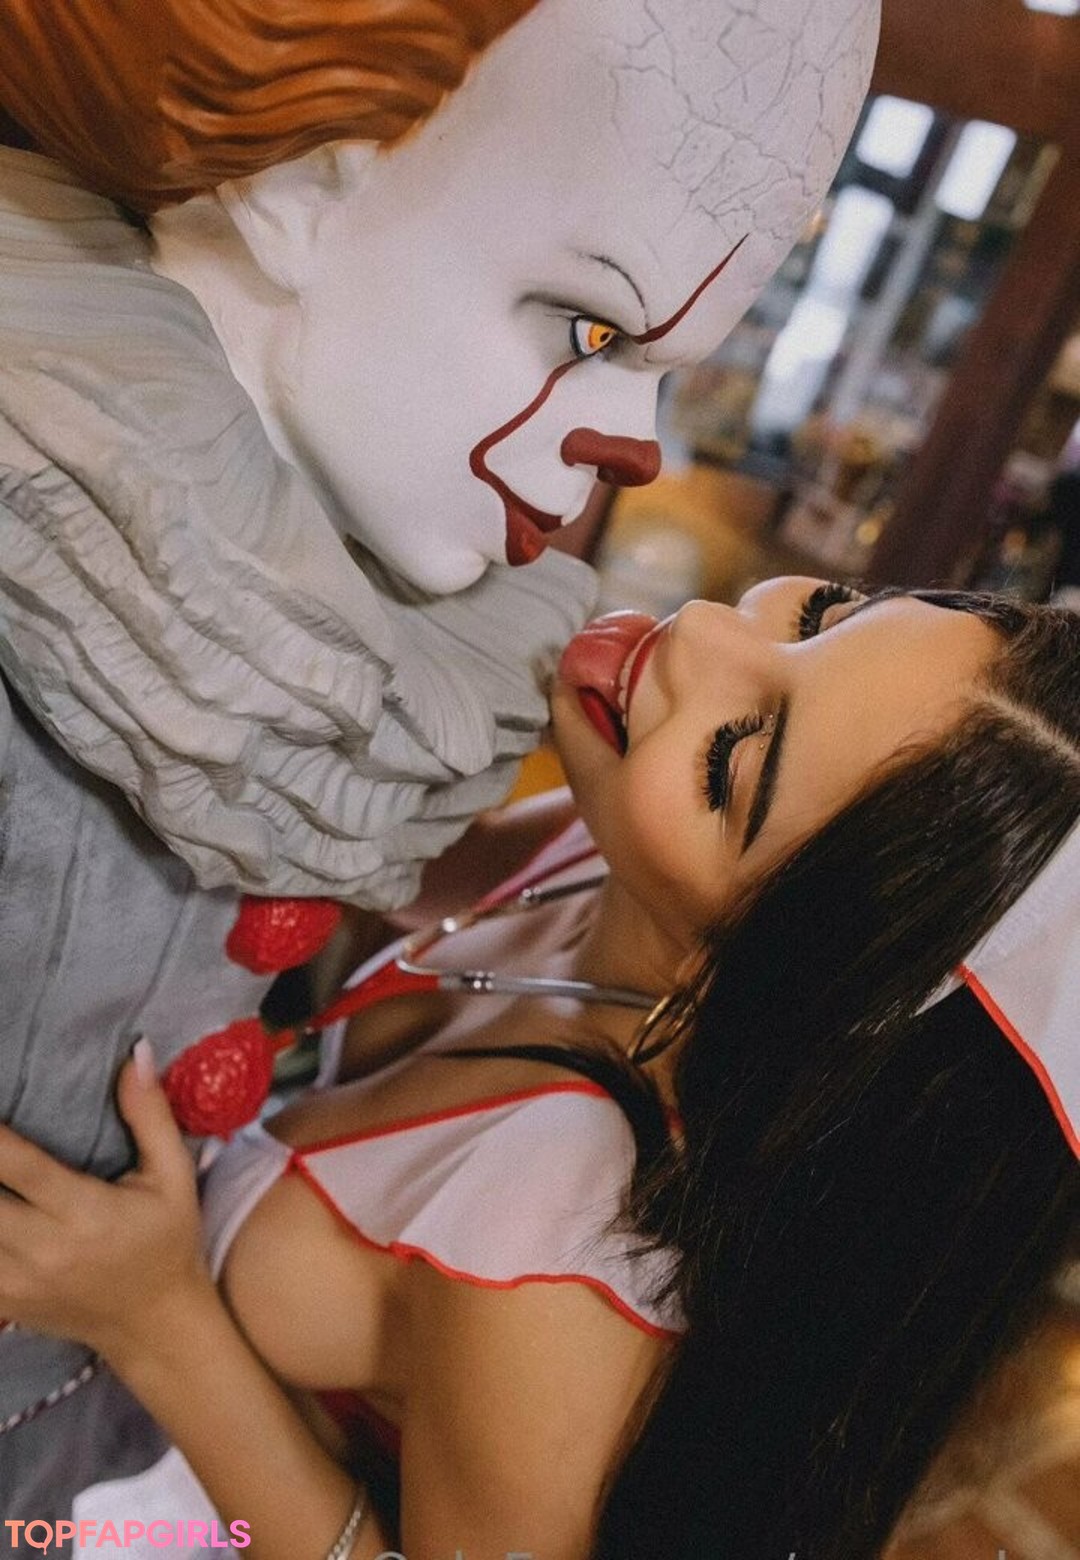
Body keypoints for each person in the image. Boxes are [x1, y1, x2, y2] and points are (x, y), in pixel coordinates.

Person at [0, 0, 881, 1446]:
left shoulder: (343, 605)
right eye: (589, 326)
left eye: (666, 368)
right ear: (298, 188)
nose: (636, 444)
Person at [1, 576, 1076, 1559]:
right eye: (821, 614)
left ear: (792, 987)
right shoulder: (615, 843)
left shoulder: (566, 1242)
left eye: (734, 758)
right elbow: (374, 862)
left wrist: (156, 1318)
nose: (704, 631)